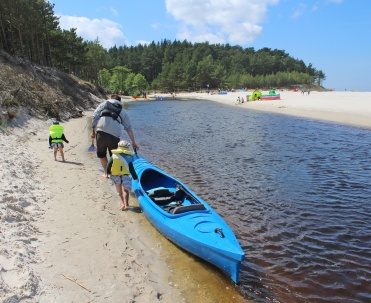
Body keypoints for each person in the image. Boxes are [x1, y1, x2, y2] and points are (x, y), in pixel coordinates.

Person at [92, 94, 139, 178]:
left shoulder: (104, 104)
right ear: (120, 102)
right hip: (114, 135)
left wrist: (93, 131)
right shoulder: (123, 111)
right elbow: (128, 128)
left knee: (102, 155)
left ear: (110, 99)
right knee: (114, 155)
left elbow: (95, 117)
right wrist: (133, 142)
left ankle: (106, 173)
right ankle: (115, 174)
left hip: (101, 132)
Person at [106, 140, 134, 211]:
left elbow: (109, 165)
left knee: (119, 192)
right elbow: (131, 168)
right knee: (126, 191)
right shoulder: (130, 157)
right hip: (125, 176)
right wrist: (136, 177)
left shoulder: (114, 155)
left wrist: (108, 173)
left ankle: (122, 204)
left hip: (115, 175)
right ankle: (127, 204)